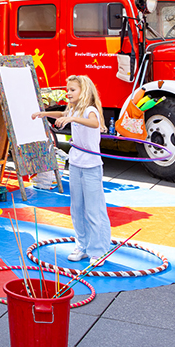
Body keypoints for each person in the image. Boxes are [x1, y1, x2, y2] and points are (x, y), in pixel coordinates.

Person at [32, 75, 110, 268]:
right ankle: (82, 246)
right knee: (76, 208)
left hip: (91, 166)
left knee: (93, 209)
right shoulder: (73, 109)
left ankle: (99, 251)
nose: (68, 93)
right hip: (75, 163)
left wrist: (71, 117)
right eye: (68, 89)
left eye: (72, 90)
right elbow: (62, 114)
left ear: (83, 91)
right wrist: (44, 114)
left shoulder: (90, 110)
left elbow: (95, 124)